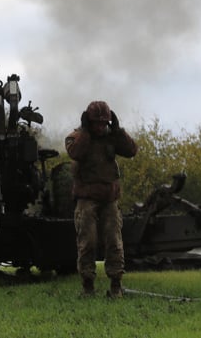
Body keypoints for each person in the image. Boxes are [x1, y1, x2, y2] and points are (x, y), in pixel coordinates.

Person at [65, 100, 137, 298]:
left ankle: (116, 285)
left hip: (109, 199)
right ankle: (88, 286)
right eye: (96, 123)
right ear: (88, 122)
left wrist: (117, 130)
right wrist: (87, 133)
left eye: (104, 123)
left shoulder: (111, 138)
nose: (100, 127)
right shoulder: (77, 137)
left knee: (114, 241)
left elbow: (131, 150)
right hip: (86, 199)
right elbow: (76, 153)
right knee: (87, 242)